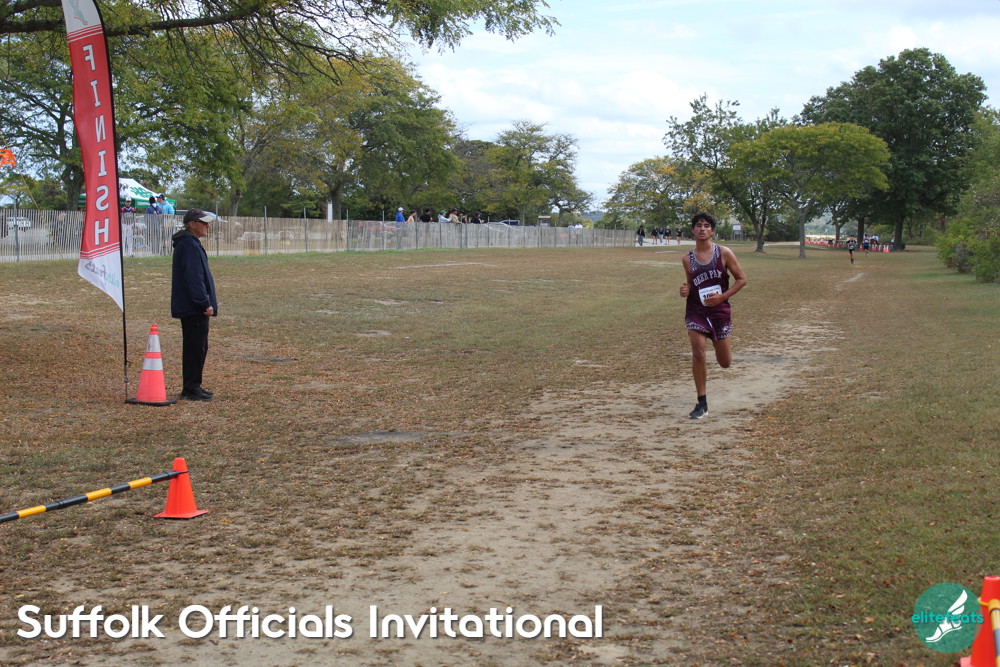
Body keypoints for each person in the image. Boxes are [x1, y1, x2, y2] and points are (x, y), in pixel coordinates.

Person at [678, 212, 747, 419]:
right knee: (698, 352)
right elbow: (691, 283)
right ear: (693, 230)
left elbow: (741, 279)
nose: (702, 229)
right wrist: (686, 290)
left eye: (706, 225)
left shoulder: (724, 253)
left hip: (719, 312)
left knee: (724, 362)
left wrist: (722, 297)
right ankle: (702, 403)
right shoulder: (687, 259)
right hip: (696, 311)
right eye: (698, 225)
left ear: (712, 231)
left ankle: (722, 345)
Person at [171, 209, 218, 402]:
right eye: (203, 222)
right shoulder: (188, 244)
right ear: (192, 224)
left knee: (199, 346)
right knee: (195, 348)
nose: (207, 226)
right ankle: (191, 388)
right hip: (193, 306)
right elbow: (193, 277)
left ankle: (194, 385)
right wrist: (204, 302)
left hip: (192, 305)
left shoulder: (190, 243)